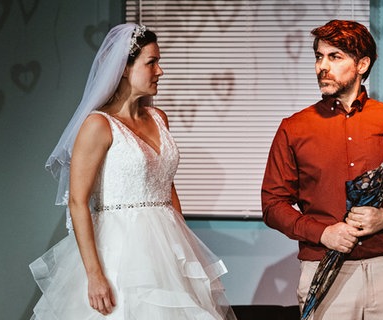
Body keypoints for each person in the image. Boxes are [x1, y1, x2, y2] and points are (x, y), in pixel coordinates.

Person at [29, 23, 236, 319]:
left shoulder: (159, 117)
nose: (160, 71)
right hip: (119, 252)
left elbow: (167, 186)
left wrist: (186, 250)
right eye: (151, 62)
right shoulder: (98, 125)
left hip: (167, 248)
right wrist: (95, 275)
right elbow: (77, 202)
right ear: (124, 68)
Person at [261, 20, 383, 319]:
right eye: (319, 56)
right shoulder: (294, 128)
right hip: (324, 271)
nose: (322, 66)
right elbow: (273, 204)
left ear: (362, 64)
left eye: (335, 57)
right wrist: (323, 233)